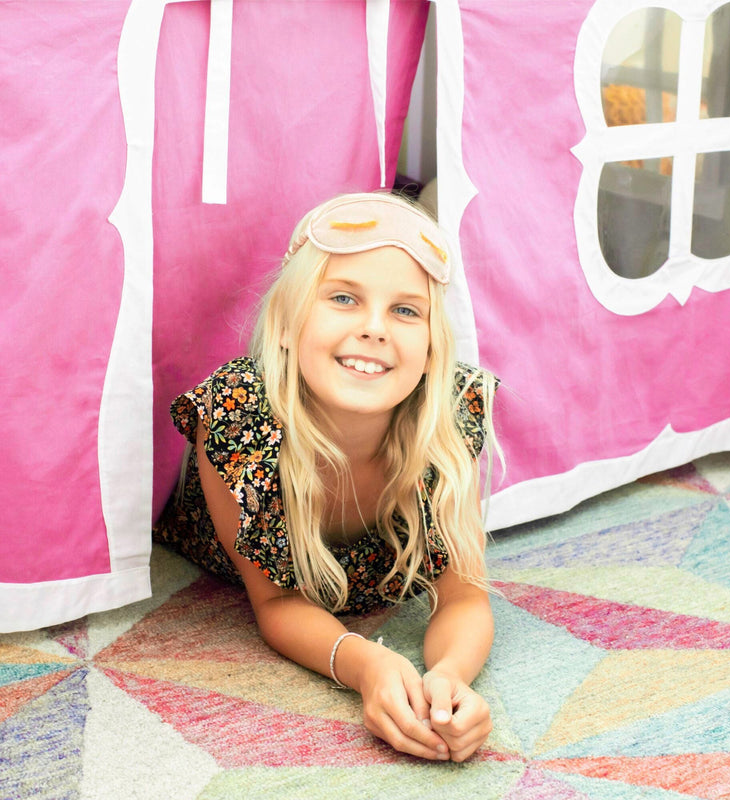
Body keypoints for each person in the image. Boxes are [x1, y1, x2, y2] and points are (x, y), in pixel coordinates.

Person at [154, 191, 500, 762]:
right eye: (344, 298)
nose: (375, 329)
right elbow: (278, 602)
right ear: (286, 326)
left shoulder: (448, 415)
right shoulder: (235, 418)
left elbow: (463, 593)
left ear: (433, 349)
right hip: (245, 560)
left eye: (406, 310)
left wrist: (449, 678)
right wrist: (370, 665)